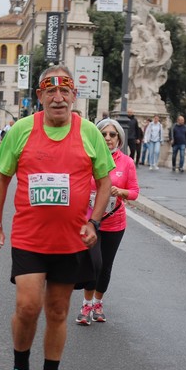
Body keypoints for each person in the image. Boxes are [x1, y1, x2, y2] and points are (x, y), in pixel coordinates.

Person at [0, 65, 114, 370]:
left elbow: (105, 182)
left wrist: (94, 223)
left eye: (64, 91)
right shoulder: (22, 130)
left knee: (57, 311)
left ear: (74, 95)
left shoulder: (89, 133)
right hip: (30, 239)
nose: (58, 98)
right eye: (50, 91)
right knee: (28, 307)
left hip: (71, 242)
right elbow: (1, 180)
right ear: (40, 95)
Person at [75, 118, 139, 325]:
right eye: (103, 134)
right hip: (91, 220)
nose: (108, 138)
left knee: (106, 266)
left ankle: (98, 303)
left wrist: (120, 191)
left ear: (119, 138)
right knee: (94, 263)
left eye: (112, 135)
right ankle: (86, 305)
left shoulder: (126, 162)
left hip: (115, 222)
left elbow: (135, 193)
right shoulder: (88, 158)